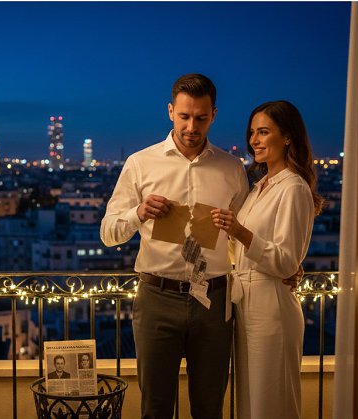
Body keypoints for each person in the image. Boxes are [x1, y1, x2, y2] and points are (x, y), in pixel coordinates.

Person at [101, 74, 249, 418]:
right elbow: (108, 233)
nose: (191, 127)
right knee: (156, 408)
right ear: (170, 111)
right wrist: (138, 213)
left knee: (210, 408)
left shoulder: (231, 169)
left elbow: (243, 237)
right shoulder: (140, 163)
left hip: (214, 299)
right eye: (184, 116)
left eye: (200, 117)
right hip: (157, 297)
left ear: (214, 115)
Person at [211, 100, 322, 419]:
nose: (254, 141)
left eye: (263, 132)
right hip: (246, 304)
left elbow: (286, 261)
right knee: (251, 403)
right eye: (252, 133)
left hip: (271, 307)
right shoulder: (260, 187)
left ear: (287, 137)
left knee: (270, 401)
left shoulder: (293, 188)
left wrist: (239, 231)